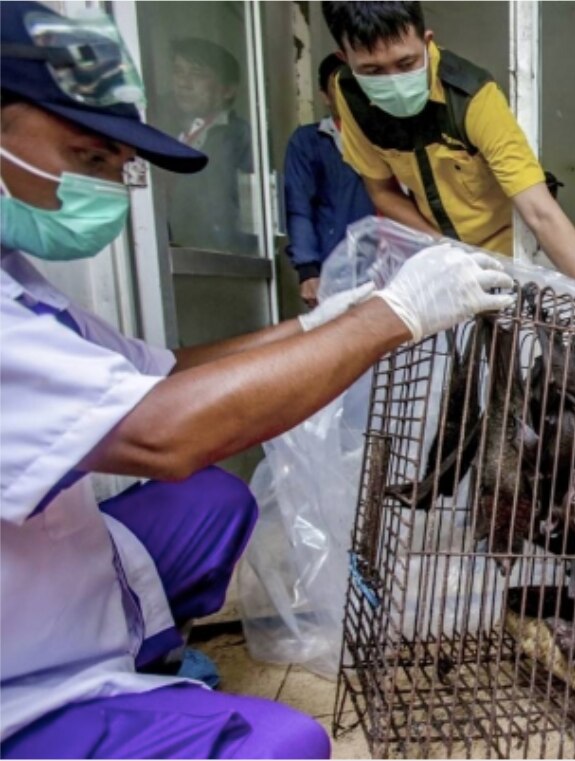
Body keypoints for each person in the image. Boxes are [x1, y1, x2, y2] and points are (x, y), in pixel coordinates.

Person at [0, 3, 513, 757]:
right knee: (283, 743)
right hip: (21, 666)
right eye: (89, 156)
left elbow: (166, 373)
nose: (111, 185)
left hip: (49, 573)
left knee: (212, 499)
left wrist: (327, 321)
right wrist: (389, 317)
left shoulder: (21, 280)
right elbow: (162, 431)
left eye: (118, 163)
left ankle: (143, 653)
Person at [322, 1, 575, 287]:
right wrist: (443, 251)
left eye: (406, 63)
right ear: (345, 58)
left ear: (426, 40)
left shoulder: (472, 97)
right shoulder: (350, 97)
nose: (393, 81)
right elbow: (382, 191)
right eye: (373, 71)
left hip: (510, 260)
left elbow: (541, 213)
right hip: (441, 258)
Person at [284, 55, 377, 307]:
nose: (351, 94)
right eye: (341, 86)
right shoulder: (309, 142)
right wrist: (307, 269)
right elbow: (298, 207)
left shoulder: (394, 140)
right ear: (325, 95)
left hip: (391, 268)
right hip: (333, 271)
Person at [155, 37, 255, 253]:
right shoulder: (160, 127)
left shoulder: (240, 137)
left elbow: (252, 217)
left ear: (227, 90)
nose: (183, 83)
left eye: (197, 74)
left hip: (215, 259)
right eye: (178, 72)